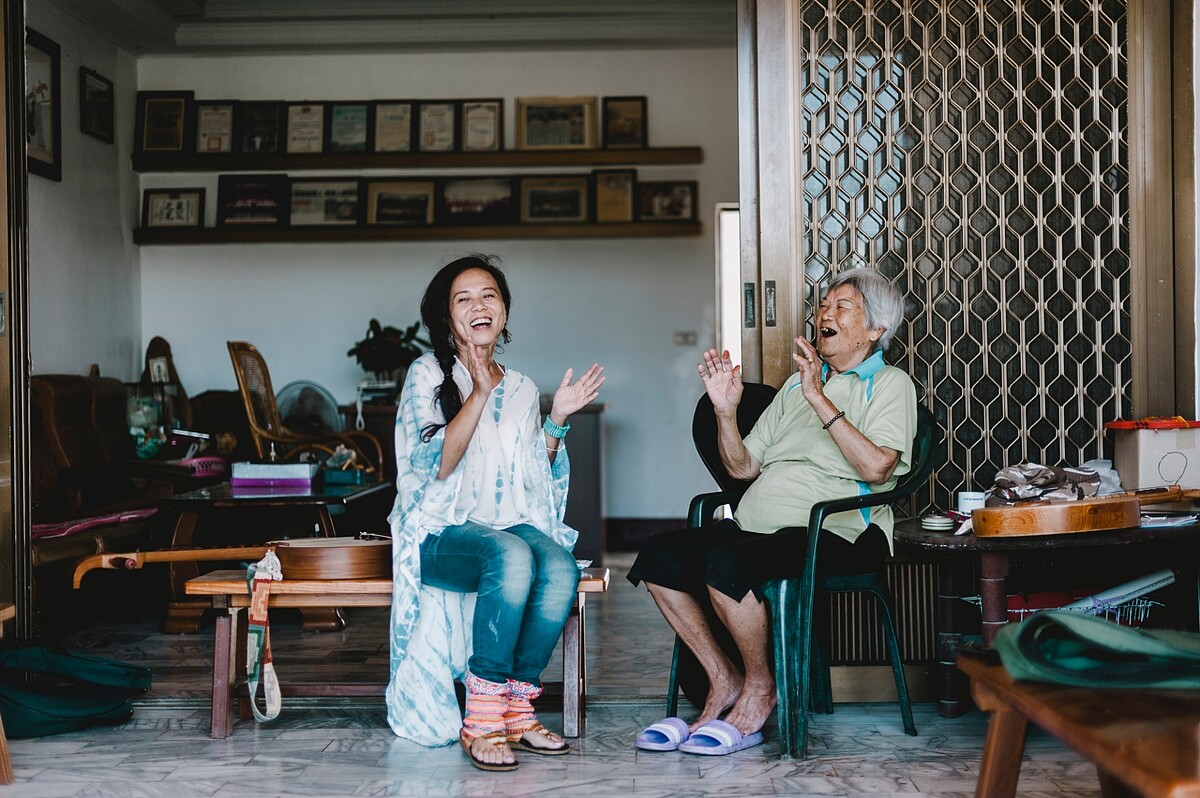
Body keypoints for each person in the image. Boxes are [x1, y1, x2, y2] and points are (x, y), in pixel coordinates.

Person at [627, 267, 916, 756]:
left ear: (875, 331)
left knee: (728, 567)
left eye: (842, 306)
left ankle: (762, 687)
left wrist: (819, 398)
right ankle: (725, 679)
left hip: (836, 531)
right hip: (756, 527)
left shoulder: (889, 385)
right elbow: (742, 470)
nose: (825, 312)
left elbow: (879, 468)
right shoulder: (793, 389)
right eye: (824, 304)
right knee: (659, 557)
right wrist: (725, 413)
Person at [384, 254, 605, 772]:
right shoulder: (426, 374)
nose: (479, 305)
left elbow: (532, 477)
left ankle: (517, 710)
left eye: (489, 295)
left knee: (558, 567)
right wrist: (479, 391)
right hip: (439, 532)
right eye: (464, 298)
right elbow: (437, 466)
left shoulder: (524, 387)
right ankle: (481, 719)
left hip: (508, 524)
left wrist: (556, 422)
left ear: (503, 310)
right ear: (446, 317)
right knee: (510, 555)